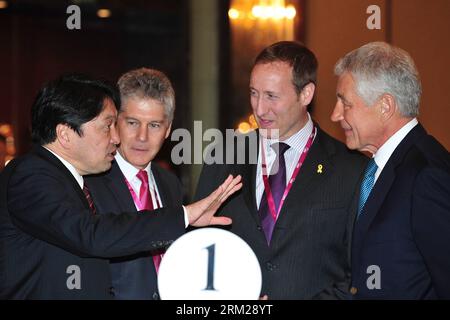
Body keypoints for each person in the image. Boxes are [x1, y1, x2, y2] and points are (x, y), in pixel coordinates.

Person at [0, 73, 242, 299]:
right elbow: (91, 235)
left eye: (155, 125)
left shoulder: (72, 179)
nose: (115, 138)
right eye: (108, 126)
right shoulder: (30, 174)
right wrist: (185, 214)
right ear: (65, 134)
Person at [195, 41, 367, 299]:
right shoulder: (222, 158)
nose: (260, 109)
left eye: (271, 96)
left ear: (306, 94)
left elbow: (358, 274)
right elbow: (198, 252)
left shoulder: (352, 170)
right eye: (254, 93)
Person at [331, 42, 450, 299]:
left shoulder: (428, 175)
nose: (335, 115)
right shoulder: (372, 170)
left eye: (345, 104)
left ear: (385, 106)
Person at [85, 68, 181, 299]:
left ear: (168, 129)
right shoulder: (89, 182)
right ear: (114, 121)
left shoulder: (171, 184)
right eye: (132, 122)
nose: (142, 137)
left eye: (154, 125)